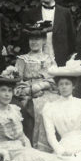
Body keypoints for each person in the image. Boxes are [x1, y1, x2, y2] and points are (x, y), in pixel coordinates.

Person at [0, 74, 61, 161]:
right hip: (6, 151)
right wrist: (1, 151)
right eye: (3, 90)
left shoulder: (15, 110)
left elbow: (22, 135)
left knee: (51, 160)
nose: (7, 94)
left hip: (21, 149)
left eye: (10, 90)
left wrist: (29, 148)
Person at [14, 21, 60, 149]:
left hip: (47, 90)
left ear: (44, 41)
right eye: (31, 39)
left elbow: (54, 78)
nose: (34, 42)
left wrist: (41, 86)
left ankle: (50, 145)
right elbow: (17, 80)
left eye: (37, 39)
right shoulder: (22, 59)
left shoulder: (49, 59)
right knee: (37, 107)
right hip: (28, 92)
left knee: (53, 106)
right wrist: (31, 89)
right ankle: (35, 145)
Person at [19, 0, 76, 65]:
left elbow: (71, 38)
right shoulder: (30, 14)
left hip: (60, 62)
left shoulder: (65, 13)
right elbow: (24, 40)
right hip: (36, 63)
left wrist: (71, 59)